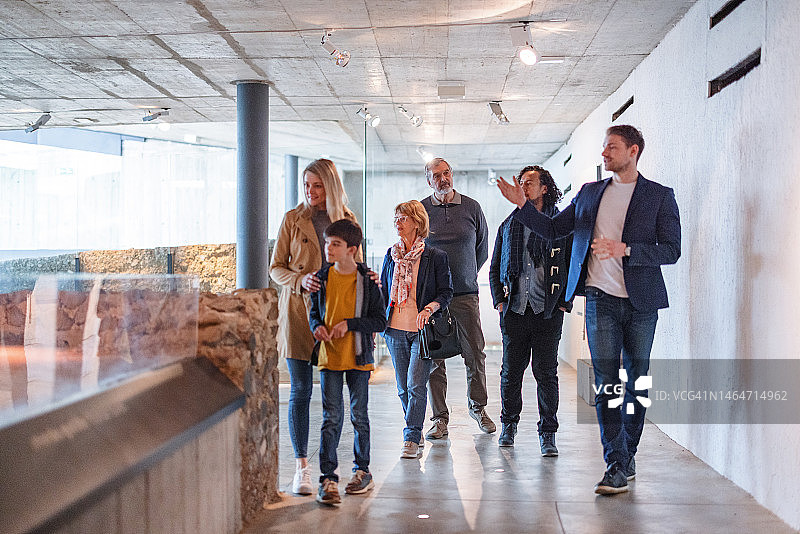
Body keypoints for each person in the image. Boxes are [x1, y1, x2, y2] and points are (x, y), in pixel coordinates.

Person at [497, 125, 681, 495]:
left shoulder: (659, 196)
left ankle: (627, 454)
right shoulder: (590, 193)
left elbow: (671, 250)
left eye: (612, 147)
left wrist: (625, 249)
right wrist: (522, 206)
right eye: (603, 147)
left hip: (642, 304)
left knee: (638, 381)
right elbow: (552, 230)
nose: (604, 153)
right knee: (606, 383)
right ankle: (614, 464)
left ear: (633, 150)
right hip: (600, 301)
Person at [269, 158, 362, 495]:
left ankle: (328, 471)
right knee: (299, 391)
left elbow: (358, 267)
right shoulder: (292, 219)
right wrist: (299, 280)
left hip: (335, 316)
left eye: (318, 185)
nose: (311, 191)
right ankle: (301, 468)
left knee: (333, 397)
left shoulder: (347, 220)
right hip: (298, 313)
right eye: (307, 185)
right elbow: (275, 268)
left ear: (330, 185)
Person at [489, 165, 572, 455]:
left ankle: (548, 433)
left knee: (546, 374)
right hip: (514, 310)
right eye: (521, 183)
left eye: (529, 183)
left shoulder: (559, 225)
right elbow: (495, 267)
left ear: (544, 188)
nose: (523, 187)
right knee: (511, 373)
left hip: (547, 311)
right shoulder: (508, 225)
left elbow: (571, 264)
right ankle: (508, 425)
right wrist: (500, 301)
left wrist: (564, 301)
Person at [308, 219, 387, 505]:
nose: (328, 248)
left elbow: (380, 320)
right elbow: (314, 313)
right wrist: (316, 327)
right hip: (329, 357)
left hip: (358, 358)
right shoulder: (321, 278)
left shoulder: (368, 280)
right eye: (327, 243)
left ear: (352, 249)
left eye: (335, 244)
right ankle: (328, 478)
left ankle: (362, 471)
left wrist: (350, 324)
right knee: (330, 419)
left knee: (359, 416)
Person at [421, 158, 495, 438]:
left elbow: (482, 249)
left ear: (452, 174)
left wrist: (465, 273)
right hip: (432, 299)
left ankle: (478, 408)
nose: (443, 179)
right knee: (434, 359)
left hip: (465, 293)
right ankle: (439, 418)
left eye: (446, 173)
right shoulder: (422, 210)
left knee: (475, 353)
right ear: (429, 181)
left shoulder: (472, 207)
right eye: (436, 175)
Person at [380, 200, 453, 459]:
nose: (397, 223)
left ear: (417, 222)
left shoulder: (435, 256)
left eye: (403, 218)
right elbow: (383, 292)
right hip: (394, 330)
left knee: (415, 384)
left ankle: (411, 436)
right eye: (396, 218)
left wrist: (429, 308)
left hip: (422, 332)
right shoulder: (391, 255)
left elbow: (446, 292)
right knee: (402, 388)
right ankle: (415, 427)